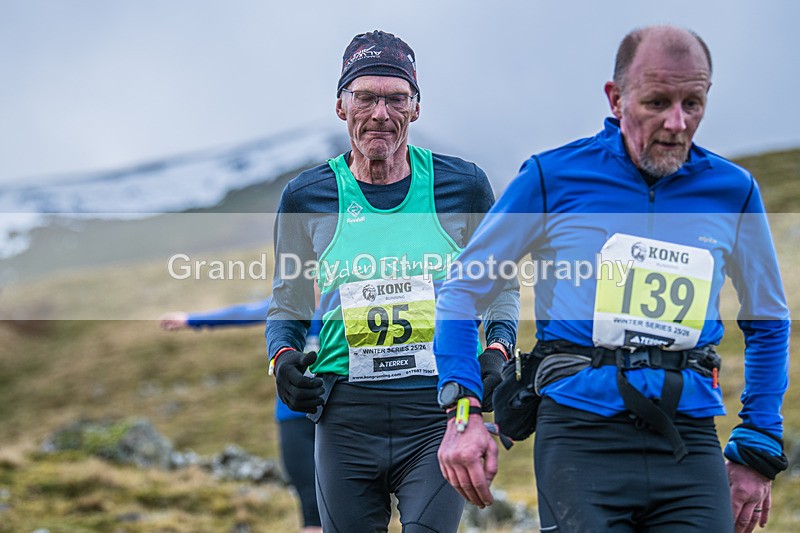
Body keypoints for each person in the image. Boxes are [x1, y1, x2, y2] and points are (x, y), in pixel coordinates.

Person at [433, 25, 790, 533]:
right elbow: (462, 292)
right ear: (616, 97)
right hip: (579, 435)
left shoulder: (733, 192)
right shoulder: (551, 177)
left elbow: (770, 321)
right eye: (657, 102)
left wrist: (758, 443)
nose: (677, 122)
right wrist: (463, 409)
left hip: (687, 438)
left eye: (694, 102)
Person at [265, 30, 519, 532]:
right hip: (344, 416)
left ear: (416, 108)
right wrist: (283, 361)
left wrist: (498, 350)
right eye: (365, 97)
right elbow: (287, 304)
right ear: (341, 106)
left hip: (439, 408)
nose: (380, 113)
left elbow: (501, 288)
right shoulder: (307, 195)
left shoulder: (462, 184)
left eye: (396, 98)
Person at [160, 299, 323, 533]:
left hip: (337, 413)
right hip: (293, 418)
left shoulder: (343, 301)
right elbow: (241, 313)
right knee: (311, 505)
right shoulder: (286, 303)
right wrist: (191, 319)